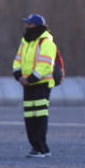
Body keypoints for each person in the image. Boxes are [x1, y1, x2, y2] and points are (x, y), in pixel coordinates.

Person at [12, 13, 57, 158]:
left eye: (30, 24)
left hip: (41, 84)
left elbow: (46, 65)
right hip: (29, 84)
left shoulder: (46, 42)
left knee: (39, 117)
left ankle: (41, 148)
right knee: (30, 117)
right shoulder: (26, 41)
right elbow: (18, 60)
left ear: (37, 26)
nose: (27, 26)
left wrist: (30, 79)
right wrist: (19, 76)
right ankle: (36, 147)